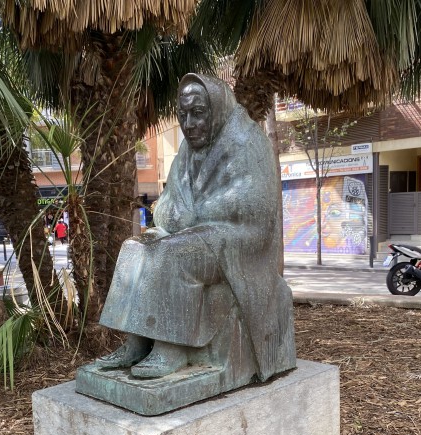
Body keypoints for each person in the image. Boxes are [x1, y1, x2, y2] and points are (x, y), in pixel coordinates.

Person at [96, 73, 295, 382]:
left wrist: (193, 214)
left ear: (215, 109)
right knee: (135, 247)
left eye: (198, 113)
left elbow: (253, 204)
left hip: (241, 240)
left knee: (171, 254)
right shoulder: (189, 149)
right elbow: (165, 202)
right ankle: (136, 341)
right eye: (184, 114)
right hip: (200, 232)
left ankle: (171, 348)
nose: (189, 124)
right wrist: (176, 215)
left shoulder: (247, 141)